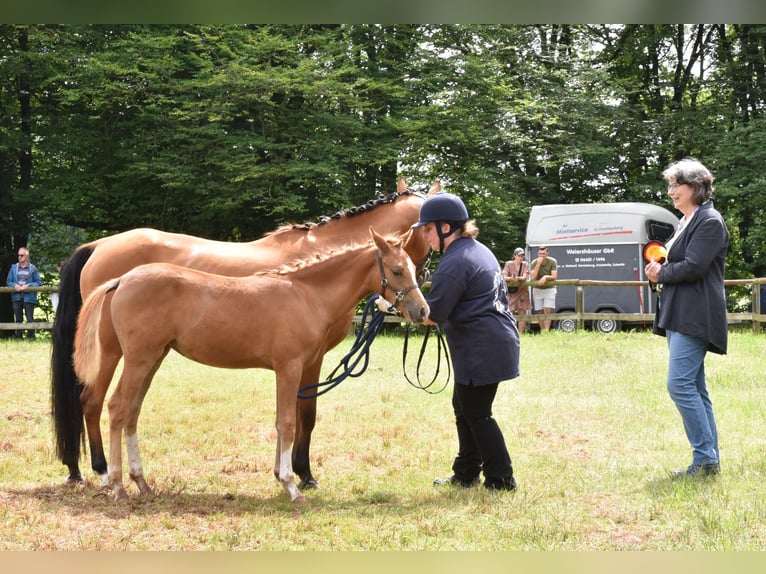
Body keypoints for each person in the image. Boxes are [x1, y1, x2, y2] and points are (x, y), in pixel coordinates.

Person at [412, 192, 520, 491]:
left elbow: (432, 314)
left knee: (477, 413)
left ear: (446, 227)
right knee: (464, 406)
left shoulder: (455, 261)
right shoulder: (475, 250)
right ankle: (466, 472)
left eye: (428, 229)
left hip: (481, 346)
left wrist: (394, 304)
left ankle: (501, 479)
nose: (425, 235)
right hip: (490, 342)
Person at [644, 158, 728, 479]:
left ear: (694, 187)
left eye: (674, 186)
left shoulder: (709, 221)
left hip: (696, 314)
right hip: (680, 312)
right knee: (695, 387)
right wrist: (658, 270)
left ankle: (705, 459)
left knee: (679, 384)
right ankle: (709, 461)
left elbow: (694, 266)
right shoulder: (686, 221)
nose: (670, 192)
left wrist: (662, 271)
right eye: (669, 186)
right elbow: (675, 262)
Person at [6, 246, 42, 340]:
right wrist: (15, 286)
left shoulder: (33, 268)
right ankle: (18, 337)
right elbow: (8, 281)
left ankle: (31, 337)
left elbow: (38, 282)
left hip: (29, 297)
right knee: (18, 318)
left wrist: (28, 286)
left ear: (26, 256)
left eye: (21, 255)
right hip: (16, 297)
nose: (19, 257)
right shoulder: (13, 268)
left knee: (29, 317)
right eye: (18, 255)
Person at [529, 245, 558, 332]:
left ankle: (546, 331)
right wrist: (538, 264)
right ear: (538, 253)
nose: (542, 255)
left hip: (550, 289)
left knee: (547, 310)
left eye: (544, 254)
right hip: (537, 289)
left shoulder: (552, 261)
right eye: (540, 254)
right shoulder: (534, 262)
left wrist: (545, 277)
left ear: (547, 253)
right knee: (540, 311)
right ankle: (542, 330)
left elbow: (554, 276)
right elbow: (533, 277)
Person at [503, 247, 531, 333]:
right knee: (509, 311)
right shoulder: (508, 264)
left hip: (522, 291)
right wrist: (512, 278)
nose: (521, 257)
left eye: (522, 255)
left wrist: (516, 278)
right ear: (514, 256)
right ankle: (510, 332)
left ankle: (521, 333)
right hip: (512, 292)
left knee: (522, 312)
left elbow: (524, 277)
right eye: (519, 255)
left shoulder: (525, 264)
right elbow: (504, 277)